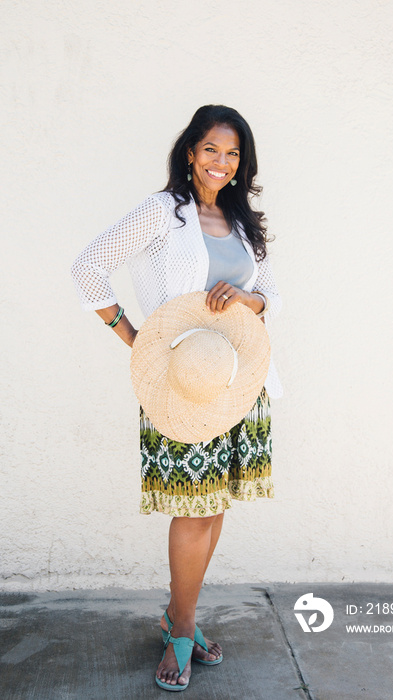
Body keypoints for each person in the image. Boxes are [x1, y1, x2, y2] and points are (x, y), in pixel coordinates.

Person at [71, 104, 282, 691]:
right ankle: (182, 626)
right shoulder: (165, 213)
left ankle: (179, 614)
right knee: (192, 506)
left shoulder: (241, 222)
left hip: (238, 380)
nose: (221, 161)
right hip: (182, 384)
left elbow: (271, 295)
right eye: (211, 148)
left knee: (214, 506)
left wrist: (245, 302)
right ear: (189, 151)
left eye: (233, 153)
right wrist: (139, 343)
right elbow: (89, 269)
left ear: (243, 164)